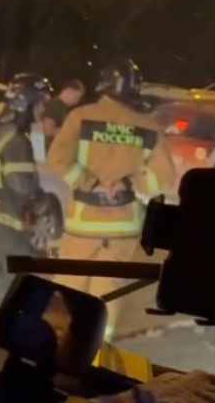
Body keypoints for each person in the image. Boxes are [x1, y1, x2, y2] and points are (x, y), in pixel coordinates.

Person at [46, 59, 176, 342]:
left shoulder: (81, 117)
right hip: (122, 230)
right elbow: (165, 177)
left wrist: (90, 182)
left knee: (68, 292)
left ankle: (55, 348)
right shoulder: (148, 126)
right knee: (106, 300)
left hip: (82, 226)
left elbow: (56, 160)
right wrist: (130, 183)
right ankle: (96, 352)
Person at [0, 73, 61, 324]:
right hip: (9, 221)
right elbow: (23, 187)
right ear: (25, 104)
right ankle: (14, 329)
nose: (43, 109)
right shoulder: (18, 140)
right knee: (19, 281)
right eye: (40, 103)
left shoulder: (1, 132)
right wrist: (46, 205)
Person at [41, 79, 86, 151]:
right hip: (54, 151)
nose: (77, 102)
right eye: (76, 97)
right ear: (69, 91)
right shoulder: (55, 106)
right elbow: (48, 130)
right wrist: (71, 130)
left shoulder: (62, 107)